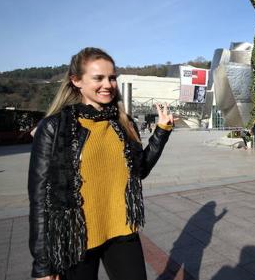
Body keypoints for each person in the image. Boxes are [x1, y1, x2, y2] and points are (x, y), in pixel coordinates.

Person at [28, 47, 175, 280]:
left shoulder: (122, 123)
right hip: (76, 238)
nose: (108, 84)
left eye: (112, 77)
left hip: (122, 231)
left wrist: (162, 132)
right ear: (76, 80)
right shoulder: (54, 127)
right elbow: (39, 200)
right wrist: (43, 266)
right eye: (98, 78)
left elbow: (140, 171)